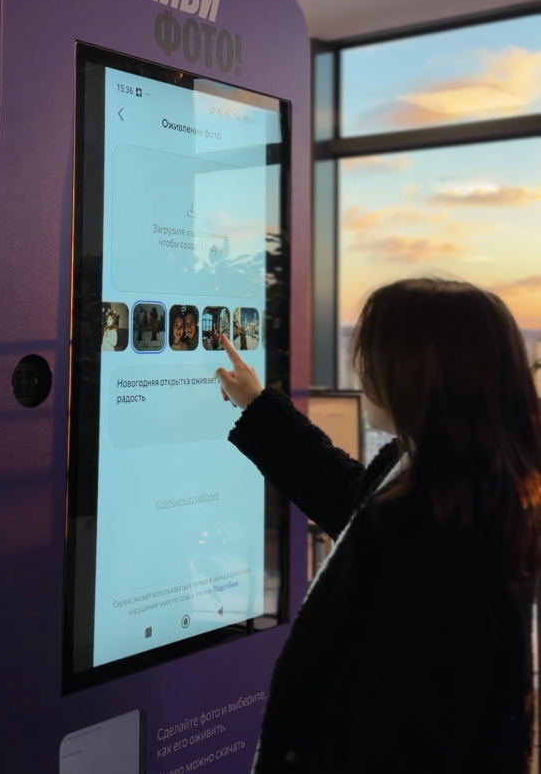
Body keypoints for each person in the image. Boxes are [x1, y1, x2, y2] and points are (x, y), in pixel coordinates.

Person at [215, 278, 541, 774]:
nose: (361, 369)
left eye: (373, 355)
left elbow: (408, 734)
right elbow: (347, 498)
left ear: (420, 373)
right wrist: (259, 407)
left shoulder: (442, 537)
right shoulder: (450, 483)